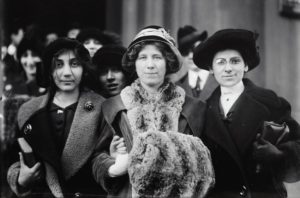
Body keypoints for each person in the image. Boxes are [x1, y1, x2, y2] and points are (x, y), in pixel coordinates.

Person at [92, 25, 214, 198]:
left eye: (157, 57)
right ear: (135, 63)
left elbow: (205, 162)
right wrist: (114, 166)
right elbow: (98, 157)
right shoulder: (115, 107)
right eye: (143, 58)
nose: (150, 65)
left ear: (168, 62)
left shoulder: (193, 108)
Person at [193, 28, 300, 198]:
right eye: (221, 62)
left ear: (246, 65)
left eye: (235, 61)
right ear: (211, 68)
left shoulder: (270, 103)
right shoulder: (201, 112)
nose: (228, 68)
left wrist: (279, 156)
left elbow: (297, 147)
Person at [7, 38, 107, 198]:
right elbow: (13, 160)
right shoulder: (28, 110)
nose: (67, 72)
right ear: (49, 69)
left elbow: (104, 160)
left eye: (74, 64)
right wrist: (21, 178)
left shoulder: (100, 107)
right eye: (59, 64)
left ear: (84, 68)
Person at [169, 25, 218, 101]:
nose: (190, 56)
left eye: (194, 49)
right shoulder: (175, 88)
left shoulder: (221, 80)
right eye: (185, 52)